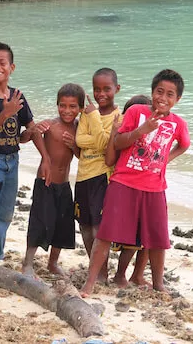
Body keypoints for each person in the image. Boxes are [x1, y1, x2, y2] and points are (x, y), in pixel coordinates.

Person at [80, 69, 190, 297]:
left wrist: (164, 162)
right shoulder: (137, 112)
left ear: (177, 99)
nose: (163, 98)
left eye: (170, 94)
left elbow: (184, 145)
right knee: (106, 234)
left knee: (158, 238)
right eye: (159, 91)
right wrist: (142, 130)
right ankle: (90, 282)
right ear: (152, 92)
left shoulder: (178, 123)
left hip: (155, 188)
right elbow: (118, 142)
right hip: (123, 183)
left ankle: (159, 283)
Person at [0, 41, 50, 289]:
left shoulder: (18, 96)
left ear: (11, 67)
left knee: (4, 213)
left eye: (2, 63)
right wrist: (5, 113)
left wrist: (45, 157)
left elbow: (26, 132)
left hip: (11, 162)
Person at [21, 83, 85, 278]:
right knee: (39, 221)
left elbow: (82, 156)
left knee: (63, 224)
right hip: (45, 182)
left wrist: (74, 146)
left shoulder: (79, 129)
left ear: (80, 108)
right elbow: (23, 138)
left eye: (72, 106)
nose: (67, 110)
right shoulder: (50, 124)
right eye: (62, 105)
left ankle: (53, 262)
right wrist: (34, 129)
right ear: (57, 105)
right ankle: (28, 263)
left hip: (64, 184)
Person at [74, 68, 120, 283]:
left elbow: (104, 144)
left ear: (116, 89)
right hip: (83, 177)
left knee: (98, 227)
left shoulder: (119, 116)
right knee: (84, 226)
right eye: (96, 89)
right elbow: (79, 140)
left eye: (106, 89)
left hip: (103, 177)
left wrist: (92, 116)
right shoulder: (86, 113)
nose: (101, 94)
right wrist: (99, 132)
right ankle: (95, 268)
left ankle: (102, 272)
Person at [104, 94, 152, 288]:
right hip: (125, 190)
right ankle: (120, 274)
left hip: (149, 191)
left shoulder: (151, 138)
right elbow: (109, 161)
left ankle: (138, 275)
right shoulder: (124, 137)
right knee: (131, 239)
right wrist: (113, 134)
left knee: (149, 237)